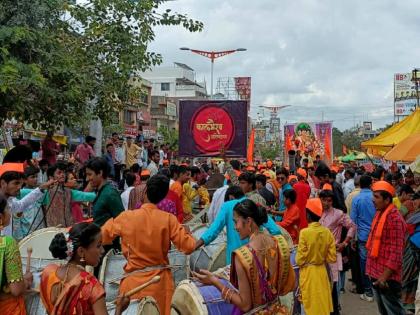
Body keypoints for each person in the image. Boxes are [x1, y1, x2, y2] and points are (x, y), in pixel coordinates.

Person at [101, 175, 196, 315]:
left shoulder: (126, 217)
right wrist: (187, 233)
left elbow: (102, 237)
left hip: (132, 285)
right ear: (163, 197)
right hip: (160, 285)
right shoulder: (168, 219)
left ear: (145, 191)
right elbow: (189, 247)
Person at [193, 199, 295, 314]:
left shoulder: (241, 256)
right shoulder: (278, 243)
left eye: (236, 222)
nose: (235, 227)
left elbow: (245, 305)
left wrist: (214, 281)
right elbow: (286, 286)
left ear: (249, 221)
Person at [40, 222, 129, 314]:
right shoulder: (90, 285)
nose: (102, 250)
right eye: (98, 246)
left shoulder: (49, 273)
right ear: (81, 251)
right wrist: (119, 308)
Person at [195, 185, 282, 264]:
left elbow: (213, 230)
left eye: (235, 222)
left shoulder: (227, 206)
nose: (235, 227)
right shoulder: (253, 204)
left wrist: (195, 245)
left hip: (235, 261)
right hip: (257, 259)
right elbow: (275, 230)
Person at [366, 180, 407, 315]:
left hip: (386, 278)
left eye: (376, 197)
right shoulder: (381, 213)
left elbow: (396, 254)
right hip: (377, 274)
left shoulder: (395, 219)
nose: (373, 200)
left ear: (387, 199)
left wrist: (383, 278)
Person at [296, 198, 337, 315]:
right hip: (322, 272)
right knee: (322, 304)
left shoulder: (304, 232)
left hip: (308, 273)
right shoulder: (327, 232)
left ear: (308, 215)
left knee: (309, 305)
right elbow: (332, 258)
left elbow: (299, 260)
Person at [319, 189, 356, 314]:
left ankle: (334, 310)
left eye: (329, 200)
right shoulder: (316, 212)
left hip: (332, 253)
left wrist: (345, 243)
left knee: (333, 285)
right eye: (324, 200)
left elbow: (352, 226)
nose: (326, 203)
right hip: (318, 255)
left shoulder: (339, 214)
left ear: (332, 201)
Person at [0, 192, 33, 314]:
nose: (10, 213)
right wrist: (26, 281)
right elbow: (16, 289)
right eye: (8, 209)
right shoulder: (7, 243)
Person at [0, 163, 55, 236]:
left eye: (20, 184)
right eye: (16, 183)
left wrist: (41, 188)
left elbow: (21, 205)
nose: (19, 187)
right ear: (3, 183)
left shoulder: (10, 200)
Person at [85, 158, 124, 252]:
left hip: (109, 248)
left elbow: (121, 220)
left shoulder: (110, 193)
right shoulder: (99, 191)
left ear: (100, 173)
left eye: (90, 174)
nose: (87, 179)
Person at [44, 162, 96, 227]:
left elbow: (87, 196)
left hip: (68, 229)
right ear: (51, 177)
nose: (63, 175)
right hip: (53, 230)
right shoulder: (46, 193)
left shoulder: (69, 192)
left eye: (63, 172)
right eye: (59, 173)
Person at [350, 175, 376, 302]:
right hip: (377, 235)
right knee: (376, 262)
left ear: (360, 184)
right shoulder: (376, 198)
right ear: (371, 184)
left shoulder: (357, 199)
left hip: (363, 236)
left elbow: (353, 221)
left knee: (364, 263)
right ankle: (377, 290)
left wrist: (352, 239)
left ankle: (368, 292)